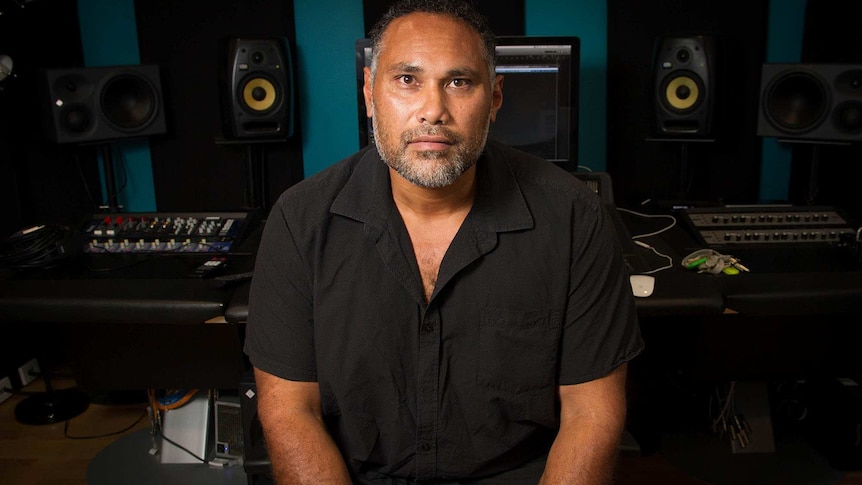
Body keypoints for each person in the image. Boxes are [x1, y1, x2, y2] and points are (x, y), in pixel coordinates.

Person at [244, 0, 644, 483]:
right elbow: (290, 411)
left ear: (494, 99)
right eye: (407, 80)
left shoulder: (574, 215)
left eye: (459, 82)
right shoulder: (299, 219)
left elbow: (591, 411)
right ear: (369, 94)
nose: (433, 110)